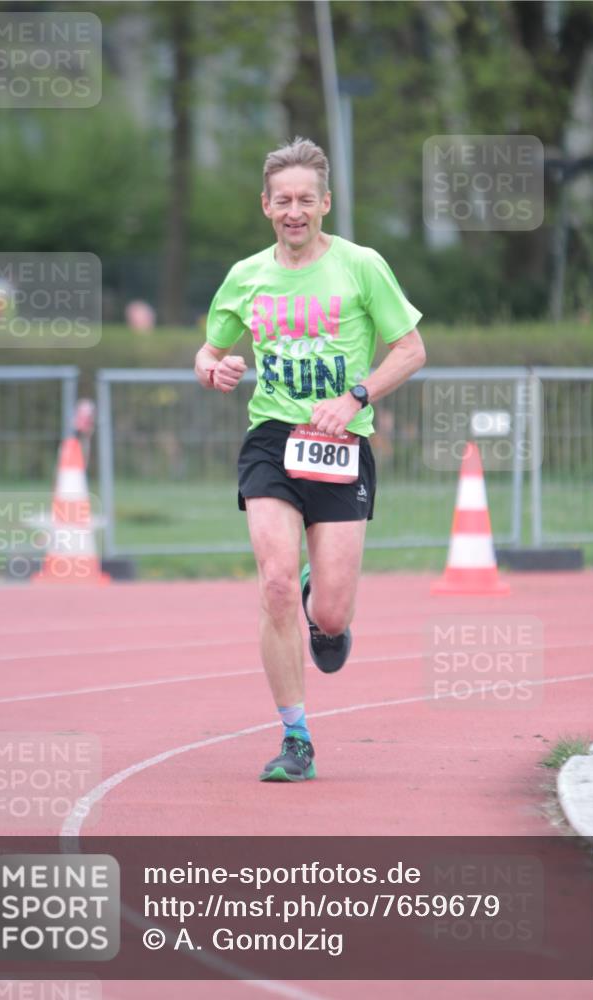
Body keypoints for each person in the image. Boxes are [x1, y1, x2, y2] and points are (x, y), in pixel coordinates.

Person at [195, 137, 425, 782]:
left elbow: (410, 349)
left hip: (341, 444)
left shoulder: (361, 266)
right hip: (272, 438)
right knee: (271, 582)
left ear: (325, 203)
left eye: (306, 200)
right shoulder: (245, 275)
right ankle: (295, 737)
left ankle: (318, 607)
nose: (294, 211)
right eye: (282, 200)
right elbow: (207, 354)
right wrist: (215, 370)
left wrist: (356, 397)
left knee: (329, 613)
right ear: (265, 206)